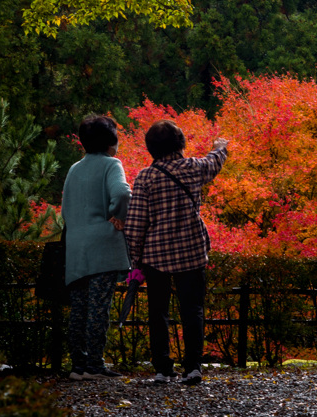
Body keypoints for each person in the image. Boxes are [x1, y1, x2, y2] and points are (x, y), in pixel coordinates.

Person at [124, 120, 228, 386]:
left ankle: (162, 368)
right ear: (181, 143)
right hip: (191, 251)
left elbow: (135, 224)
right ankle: (193, 367)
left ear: (150, 148)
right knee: (192, 309)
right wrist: (220, 147)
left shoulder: (146, 177)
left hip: (156, 256)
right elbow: (213, 162)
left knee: (157, 312)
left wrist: (136, 259)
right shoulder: (193, 168)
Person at [62, 115, 130, 380]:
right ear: (111, 142)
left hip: (76, 248)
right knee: (98, 308)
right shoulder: (112, 164)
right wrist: (119, 216)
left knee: (79, 308)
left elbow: (66, 209)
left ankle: (77, 365)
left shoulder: (73, 169)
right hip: (102, 247)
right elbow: (123, 193)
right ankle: (95, 366)